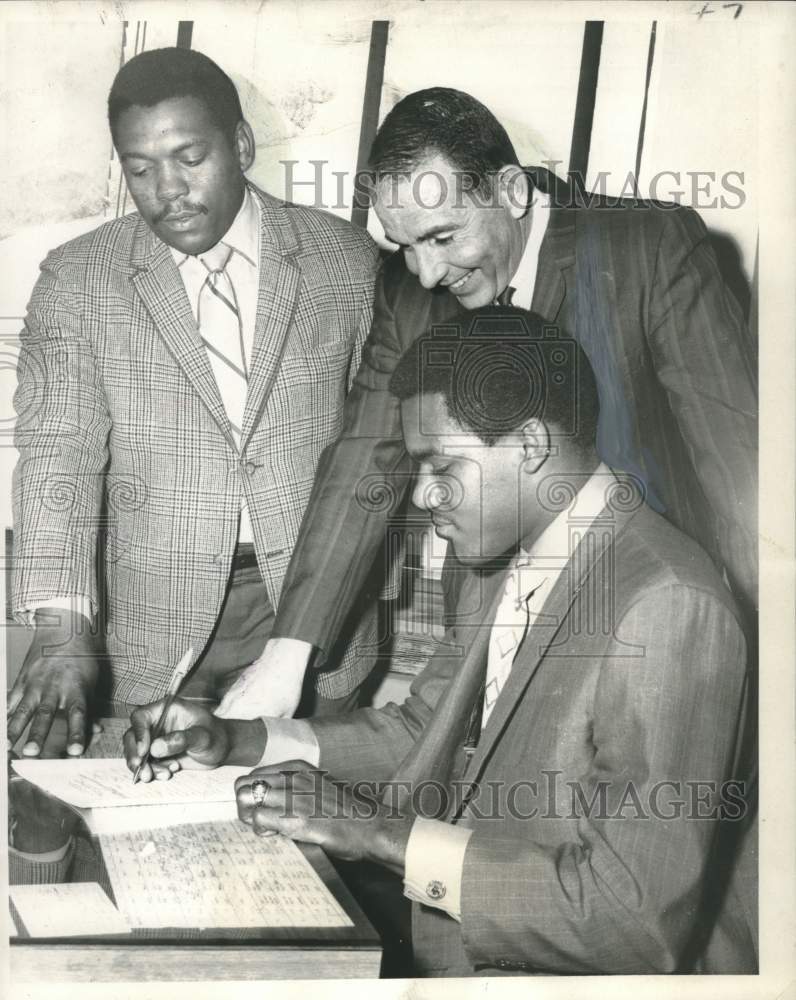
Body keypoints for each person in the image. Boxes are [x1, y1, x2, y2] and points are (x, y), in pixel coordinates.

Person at [126, 308, 757, 976]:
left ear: (532, 446)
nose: (424, 496)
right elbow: (426, 731)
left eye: (440, 464)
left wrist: (375, 833)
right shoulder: (507, 556)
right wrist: (239, 741)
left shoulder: (665, 603)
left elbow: (628, 922)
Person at [216, 86, 758, 722]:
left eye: (443, 237)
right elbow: (363, 462)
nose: (425, 272)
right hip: (488, 634)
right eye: (404, 244)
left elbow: (741, 471)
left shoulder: (645, 249)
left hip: (650, 619)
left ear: (512, 191)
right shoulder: (408, 292)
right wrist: (287, 655)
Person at [8, 46, 379, 762]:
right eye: (140, 169)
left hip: (319, 613)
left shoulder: (345, 262)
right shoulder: (79, 280)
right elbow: (59, 453)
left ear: (240, 145)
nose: (166, 190)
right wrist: (61, 632)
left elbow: (379, 447)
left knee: (307, 828)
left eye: (189, 157)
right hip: (151, 624)